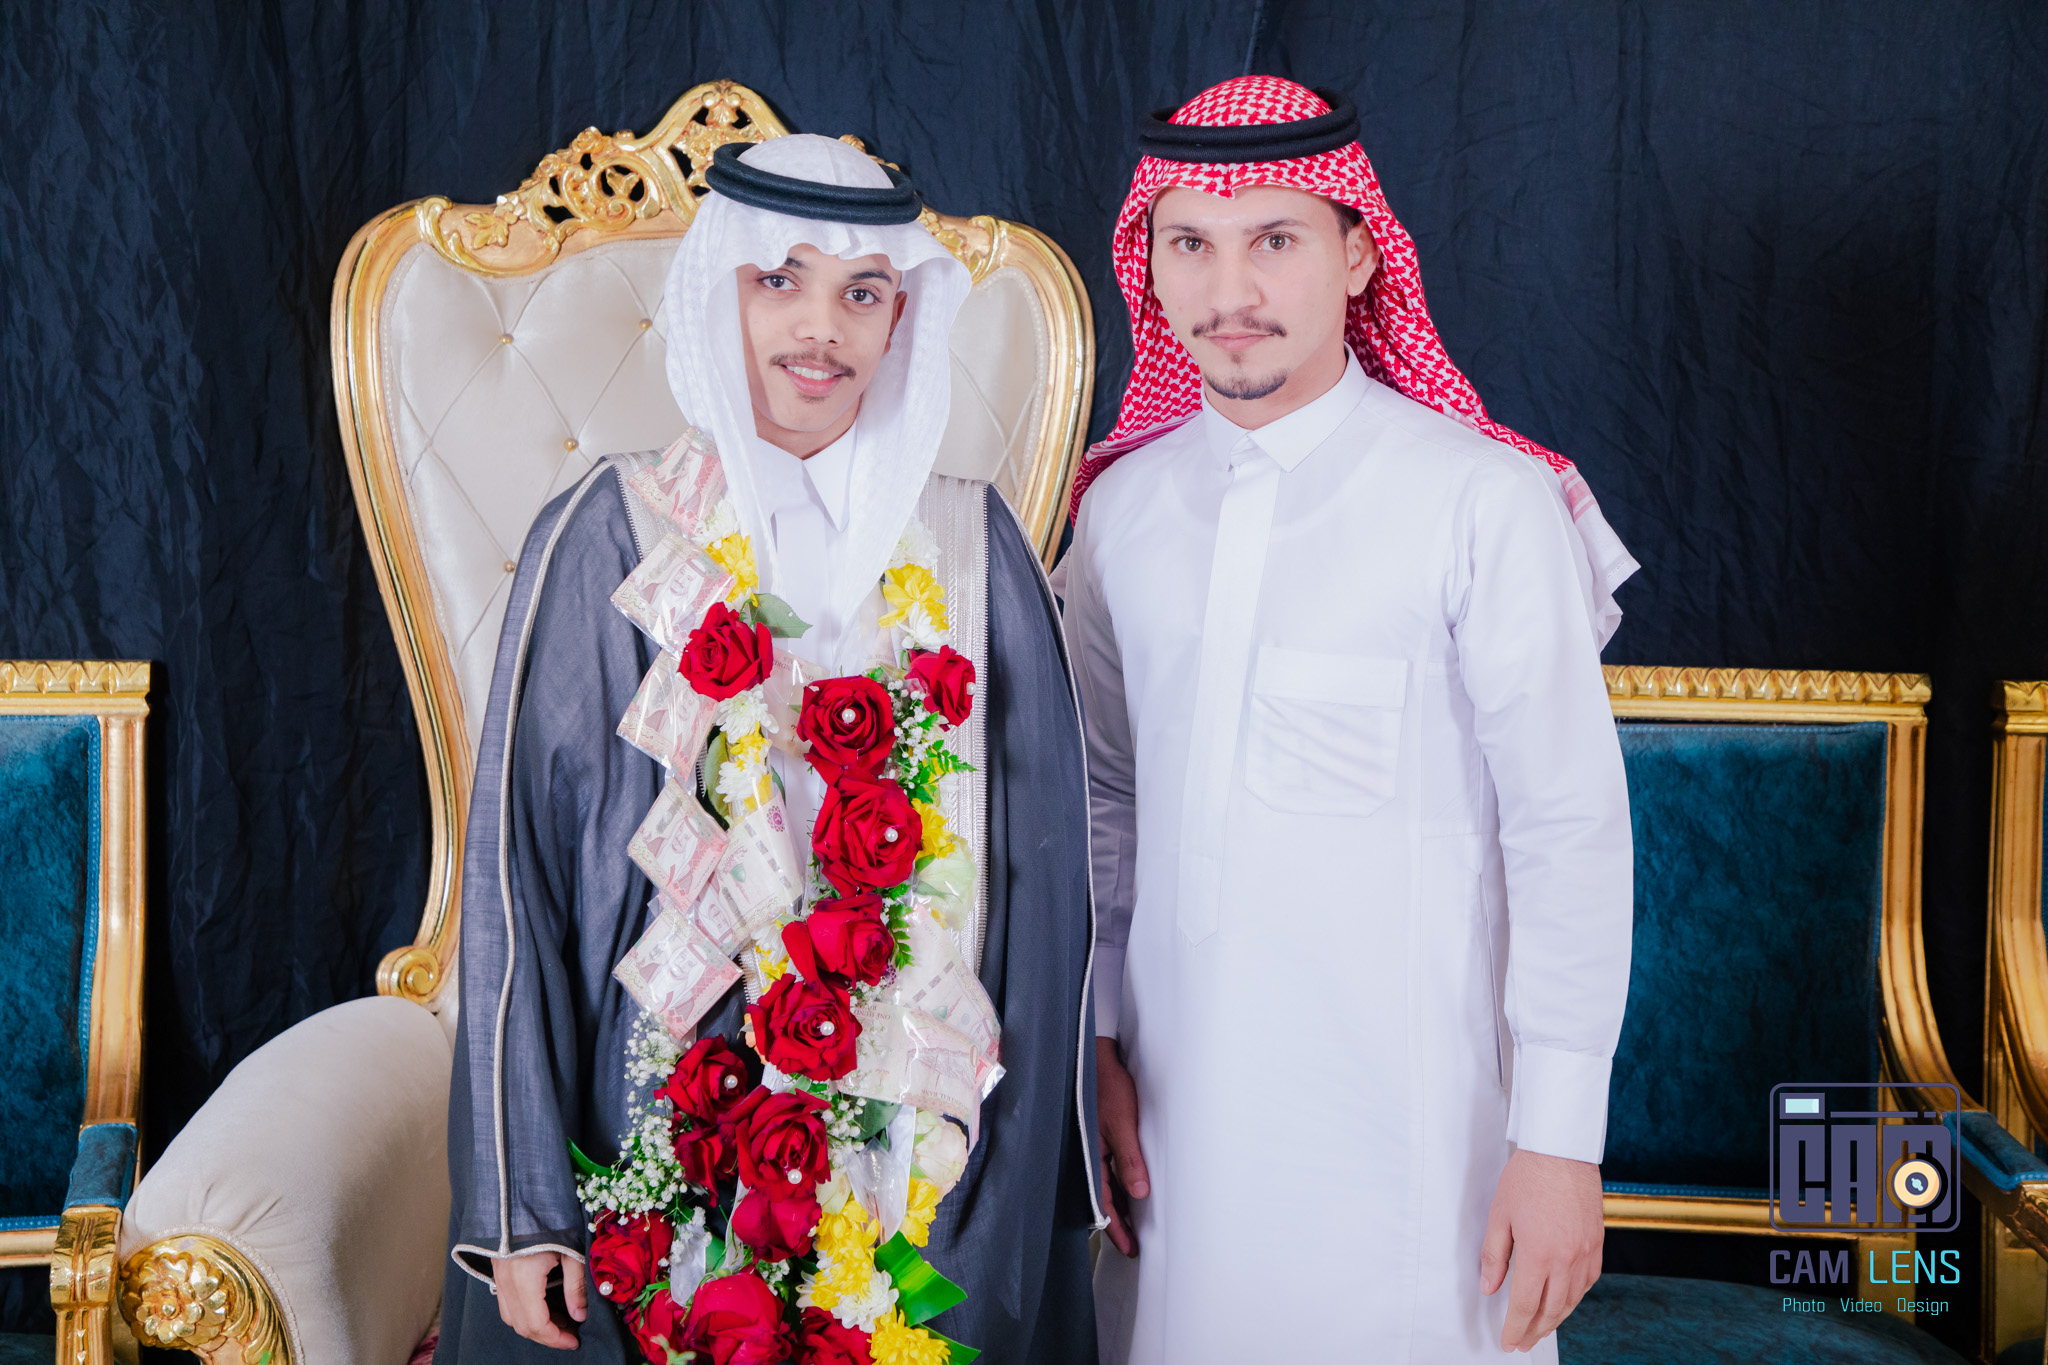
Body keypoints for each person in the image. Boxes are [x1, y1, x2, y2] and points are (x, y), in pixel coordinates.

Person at [437, 133, 1100, 1365]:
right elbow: (517, 881)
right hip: (656, 1121)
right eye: (778, 281)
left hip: (923, 1151)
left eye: (862, 292)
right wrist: (522, 1199)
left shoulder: (970, 548)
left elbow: (1042, 911)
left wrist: (1004, 1206)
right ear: (716, 294)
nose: (820, 329)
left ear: (901, 318)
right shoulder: (610, 532)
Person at [1061, 77, 1637, 1362]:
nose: (1229, 291)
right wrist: (1090, 1040)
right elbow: (1102, 797)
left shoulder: (1480, 503)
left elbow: (1566, 831)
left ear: (1358, 254)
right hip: (1173, 1143)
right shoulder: (1120, 514)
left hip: (1415, 1152)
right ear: (1148, 266)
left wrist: (1558, 1142)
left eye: (1274, 239)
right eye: (1189, 244)